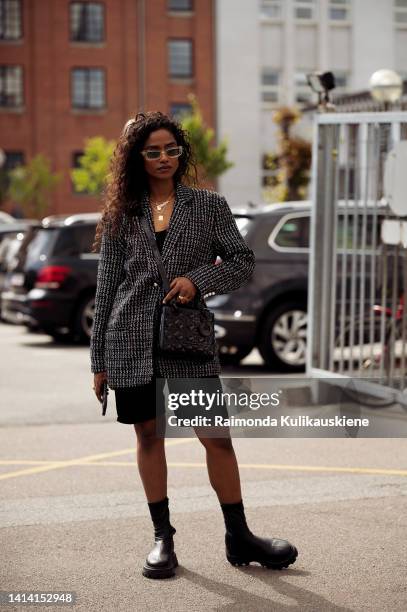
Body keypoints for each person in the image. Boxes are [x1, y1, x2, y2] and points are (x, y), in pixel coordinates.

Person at [90, 110, 298, 579]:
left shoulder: (208, 206)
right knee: (148, 435)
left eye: (171, 149)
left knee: (216, 439)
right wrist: (98, 359)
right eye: (152, 151)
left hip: (187, 339)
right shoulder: (122, 214)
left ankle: (239, 535)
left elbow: (242, 262)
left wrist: (197, 279)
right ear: (136, 158)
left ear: (180, 153)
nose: (163, 158)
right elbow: (106, 288)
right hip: (130, 340)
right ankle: (163, 538)